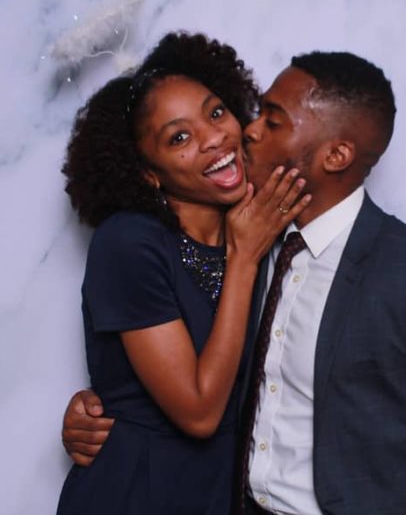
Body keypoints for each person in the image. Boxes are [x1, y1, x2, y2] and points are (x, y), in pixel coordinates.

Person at [62, 50, 406, 514]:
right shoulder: (252, 240)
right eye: (180, 136)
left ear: (337, 154)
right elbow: (187, 389)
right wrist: (107, 408)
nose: (245, 130)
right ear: (148, 171)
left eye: (270, 121)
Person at [55, 31, 310, 515]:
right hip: (136, 493)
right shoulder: (129, 243)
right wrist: (243, 259)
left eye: (216, 113)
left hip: (222, 495)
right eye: (179, 138)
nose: (214, 138)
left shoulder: (262, 220)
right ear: (148, 172)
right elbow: (198, 412)